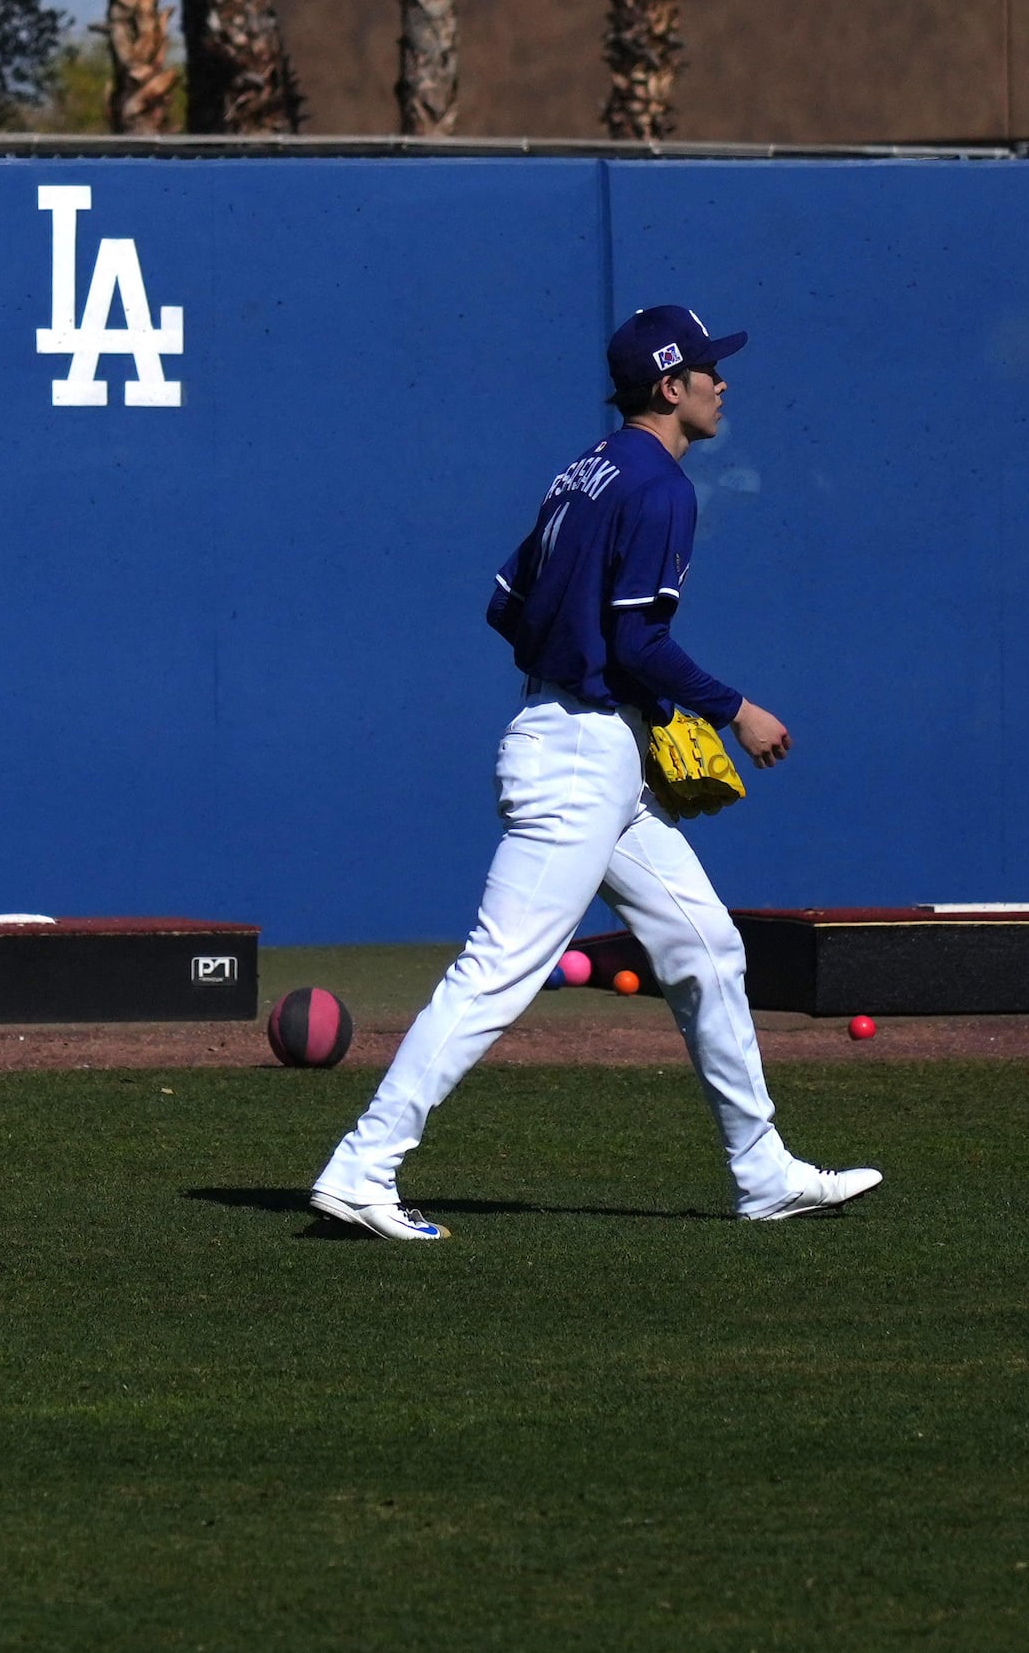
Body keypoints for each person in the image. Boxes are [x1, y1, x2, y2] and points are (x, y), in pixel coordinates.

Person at [309, 300, 883, 1241]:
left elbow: (508, 606)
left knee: (706, 948)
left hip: (589, 743)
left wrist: (598, 690)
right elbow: (634, 636)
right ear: (671, 386)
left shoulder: (583, 474)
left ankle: (762, 1171)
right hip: (578, 755)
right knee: (497, 971)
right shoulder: (660, 486)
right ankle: (362, 1167)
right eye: (708, 369)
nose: (722, 381)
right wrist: (733, 709)